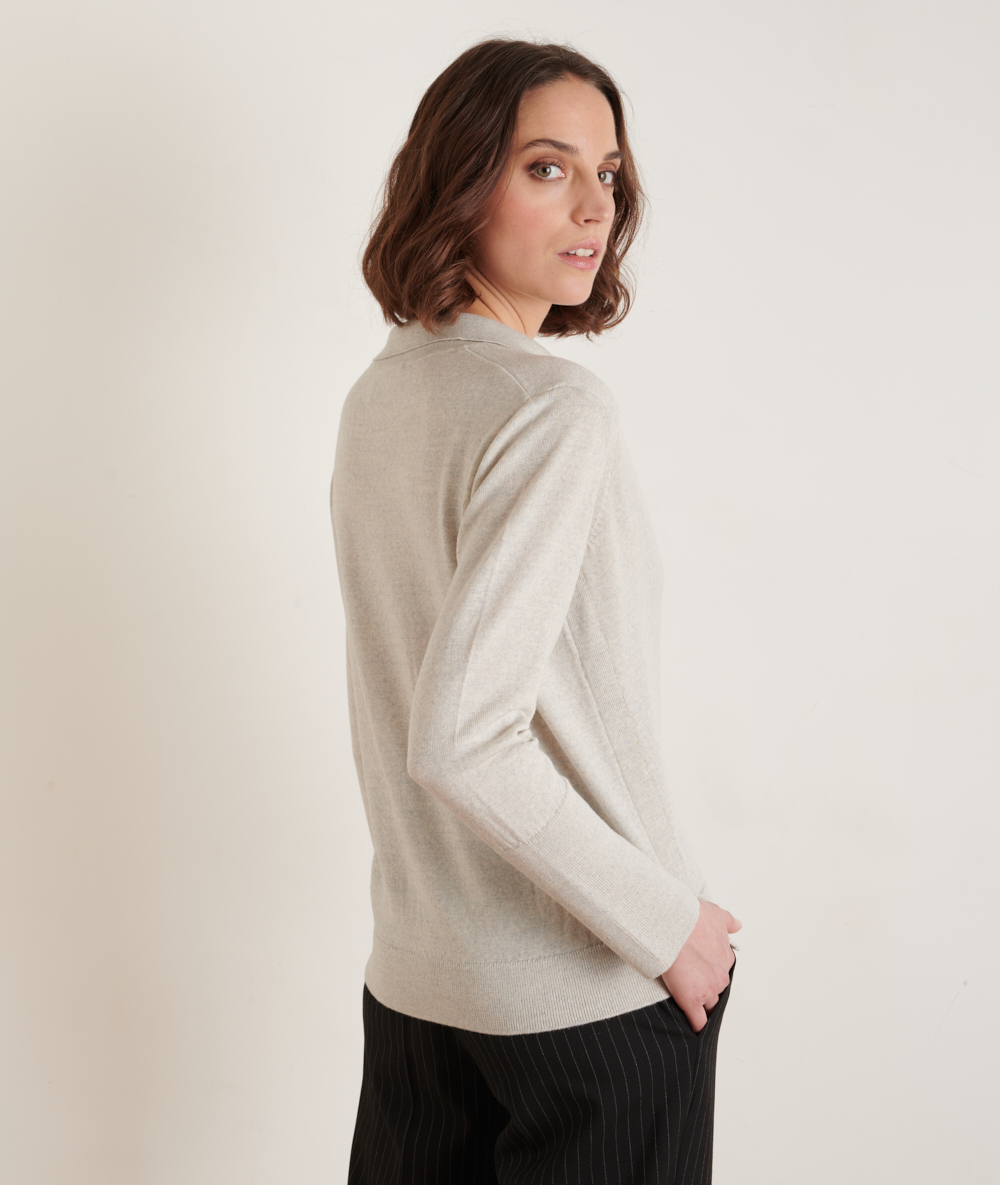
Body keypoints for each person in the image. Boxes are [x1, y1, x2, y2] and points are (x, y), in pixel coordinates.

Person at [331, 37, 741, 1185]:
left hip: (420, 986)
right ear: (459, 179)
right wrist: (665, 924)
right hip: (590, 994)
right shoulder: (553, 410)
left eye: (606, 173)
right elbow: (463, 739)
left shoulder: (382, 393)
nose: (595, 207)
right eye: (547, 168)